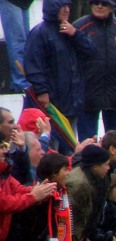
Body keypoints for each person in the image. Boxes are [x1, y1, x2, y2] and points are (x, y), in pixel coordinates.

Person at [23, 0, 96, 154]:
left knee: (70, 149)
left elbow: (91, 51)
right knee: (52, 149)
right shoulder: (39, 33)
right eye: (62, 6)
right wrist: (42, 91)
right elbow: (33, 65)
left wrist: (75, 34)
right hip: (52, 103)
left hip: (72, 102)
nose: (67, 10)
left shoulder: (70, 32)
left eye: (68, 6)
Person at [74, 0, 116, 140]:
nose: (99, 6)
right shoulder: (79, 27)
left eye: (104, 3)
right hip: (87, 97)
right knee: (88, 144)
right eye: (96, 2)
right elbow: (69, 59)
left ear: (112, 7)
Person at [0, 0, 32, 92]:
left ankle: (22, 82)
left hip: (24, 3)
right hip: (11, 1)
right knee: (17, 43)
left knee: (26, 44)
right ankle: (21, 83)